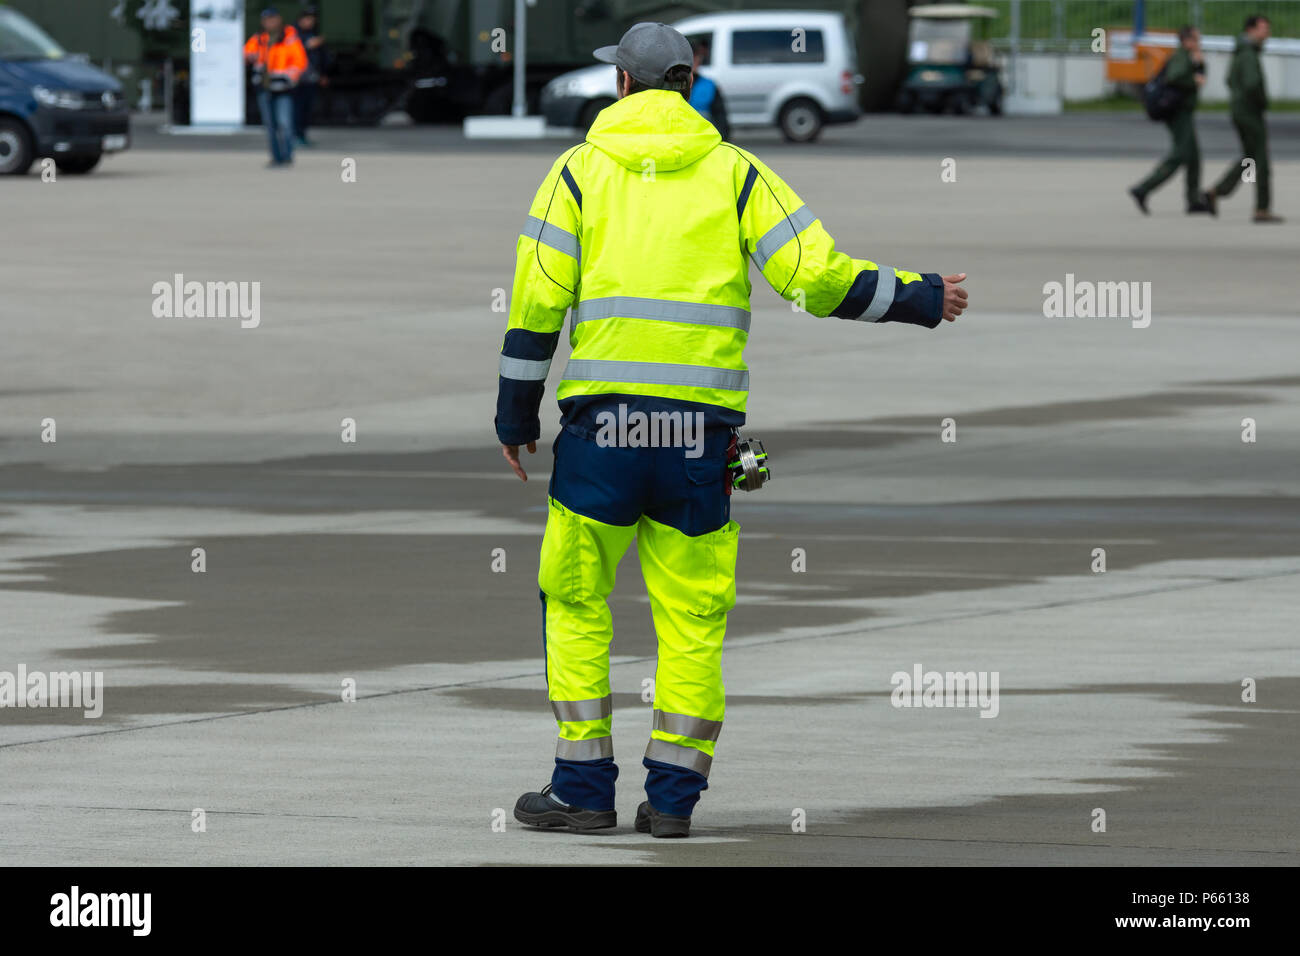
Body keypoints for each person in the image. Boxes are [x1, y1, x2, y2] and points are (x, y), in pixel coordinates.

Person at [498, 22, 967, 838]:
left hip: (600, 439)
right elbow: (815, 279)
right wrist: (920, 295)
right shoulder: (738, 175)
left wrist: (515, 415)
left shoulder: (574, 176)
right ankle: (672, 803)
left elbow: (536, 304)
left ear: (622, 86)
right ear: (689, 81)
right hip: (694, 444)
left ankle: (580, 788)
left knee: (575, 600)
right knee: (691, 620)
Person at [1130, 26, 1214, 215]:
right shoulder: (1180, 57)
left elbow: (1198, 76)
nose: (1199, 44)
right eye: (1196, 40)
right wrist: (1194, 80)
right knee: (1181, 154)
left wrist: (1200, 65)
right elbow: (1175, 77)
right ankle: (1143, 189)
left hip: (1183, 112)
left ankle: (1193, 201)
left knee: (1194, 158)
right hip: (1178, 113)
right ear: (1187, 41)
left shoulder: (1188, 57)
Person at [1206, 15, 1283, 223]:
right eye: (1263, 29)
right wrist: (1261, 101)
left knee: (1250, 158)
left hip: (1240, 111)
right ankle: (1261, 209)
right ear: (1251, 30)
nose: (1267, 34)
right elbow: (1251, 84)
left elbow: (1229, 80)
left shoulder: (1240, 51)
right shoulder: (1248, 54)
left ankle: (1217, 191)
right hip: (1250, 113)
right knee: (1262, 162)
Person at [243, 7, 307, 167]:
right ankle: (276, 157)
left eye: (272, 19)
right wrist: (250, 57)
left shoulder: (290, 38)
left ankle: (287, 156)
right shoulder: (259, 39)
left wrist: (289, 77)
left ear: (279, 19)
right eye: (267, 20)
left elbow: (300, 62)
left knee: (284, 123)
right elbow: (246, 53)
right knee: (270, 125)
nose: (270, 22)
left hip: (283, 88)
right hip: (264, 88)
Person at [293, 4, 327, 147]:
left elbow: (321, 57)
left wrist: (322, 74)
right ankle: (294, 136)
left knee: (307, 109)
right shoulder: (292, 33)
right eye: (307, 19)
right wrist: (307, 45)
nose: (310, 22)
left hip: (311, 78)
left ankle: (302, 135)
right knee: (297, 109)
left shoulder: (313, 34)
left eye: (312, 19)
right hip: (297, 79)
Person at [687, 38, 728, 140]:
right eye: (692, 57)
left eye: (697, 57)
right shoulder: (669, 86)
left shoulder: (709, 86)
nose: (695, 61)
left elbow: (721, 119)